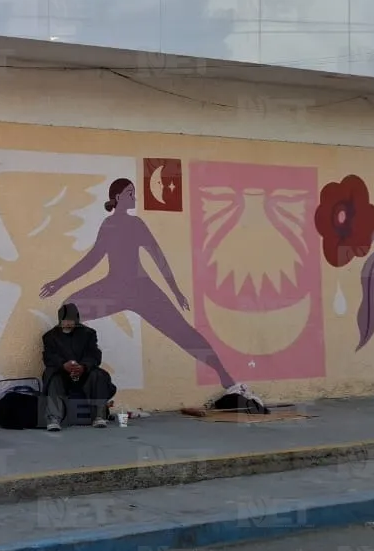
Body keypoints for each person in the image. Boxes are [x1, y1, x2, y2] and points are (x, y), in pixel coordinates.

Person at [40, 178, 237, 389]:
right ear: (118, 198)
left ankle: (224, 375)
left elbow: (158, 257)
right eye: (130, 193)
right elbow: (92, 259)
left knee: (183, 332)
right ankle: (74, 368)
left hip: (142, 290)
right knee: (70, 309)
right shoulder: (109, 225)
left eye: (134, 193)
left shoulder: (137, 224)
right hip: (114, 288)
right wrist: (59, 283)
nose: (135, 197)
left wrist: (175, 291)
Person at [41, 302, 118, 431]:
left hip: (85, 373)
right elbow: (49, 357)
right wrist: (63, 365)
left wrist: (83, 367)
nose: (68, 323)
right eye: (65, 320)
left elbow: (94, 355)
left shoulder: (88, 334)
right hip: (62, 373)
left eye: (71, 320)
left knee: (99, 375)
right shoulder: (50, 336)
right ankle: (53, 418)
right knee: (52, 376)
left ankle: (99, 416)